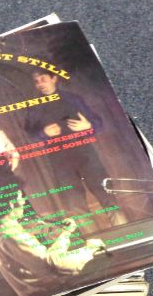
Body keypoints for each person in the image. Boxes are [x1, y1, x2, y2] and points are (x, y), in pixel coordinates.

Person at [23, 69, 122, 221]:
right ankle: (89, 235)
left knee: (106, 193)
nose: (40, 84)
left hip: (85, 153)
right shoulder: (34, 107)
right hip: (59, 160)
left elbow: (98, 122)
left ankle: (123, 228)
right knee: (74, 203)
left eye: (43, 79)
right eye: (36, 82)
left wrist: (88, 125)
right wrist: (43, 133)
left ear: (54, 78)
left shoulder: (72, 99)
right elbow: (30, 134)